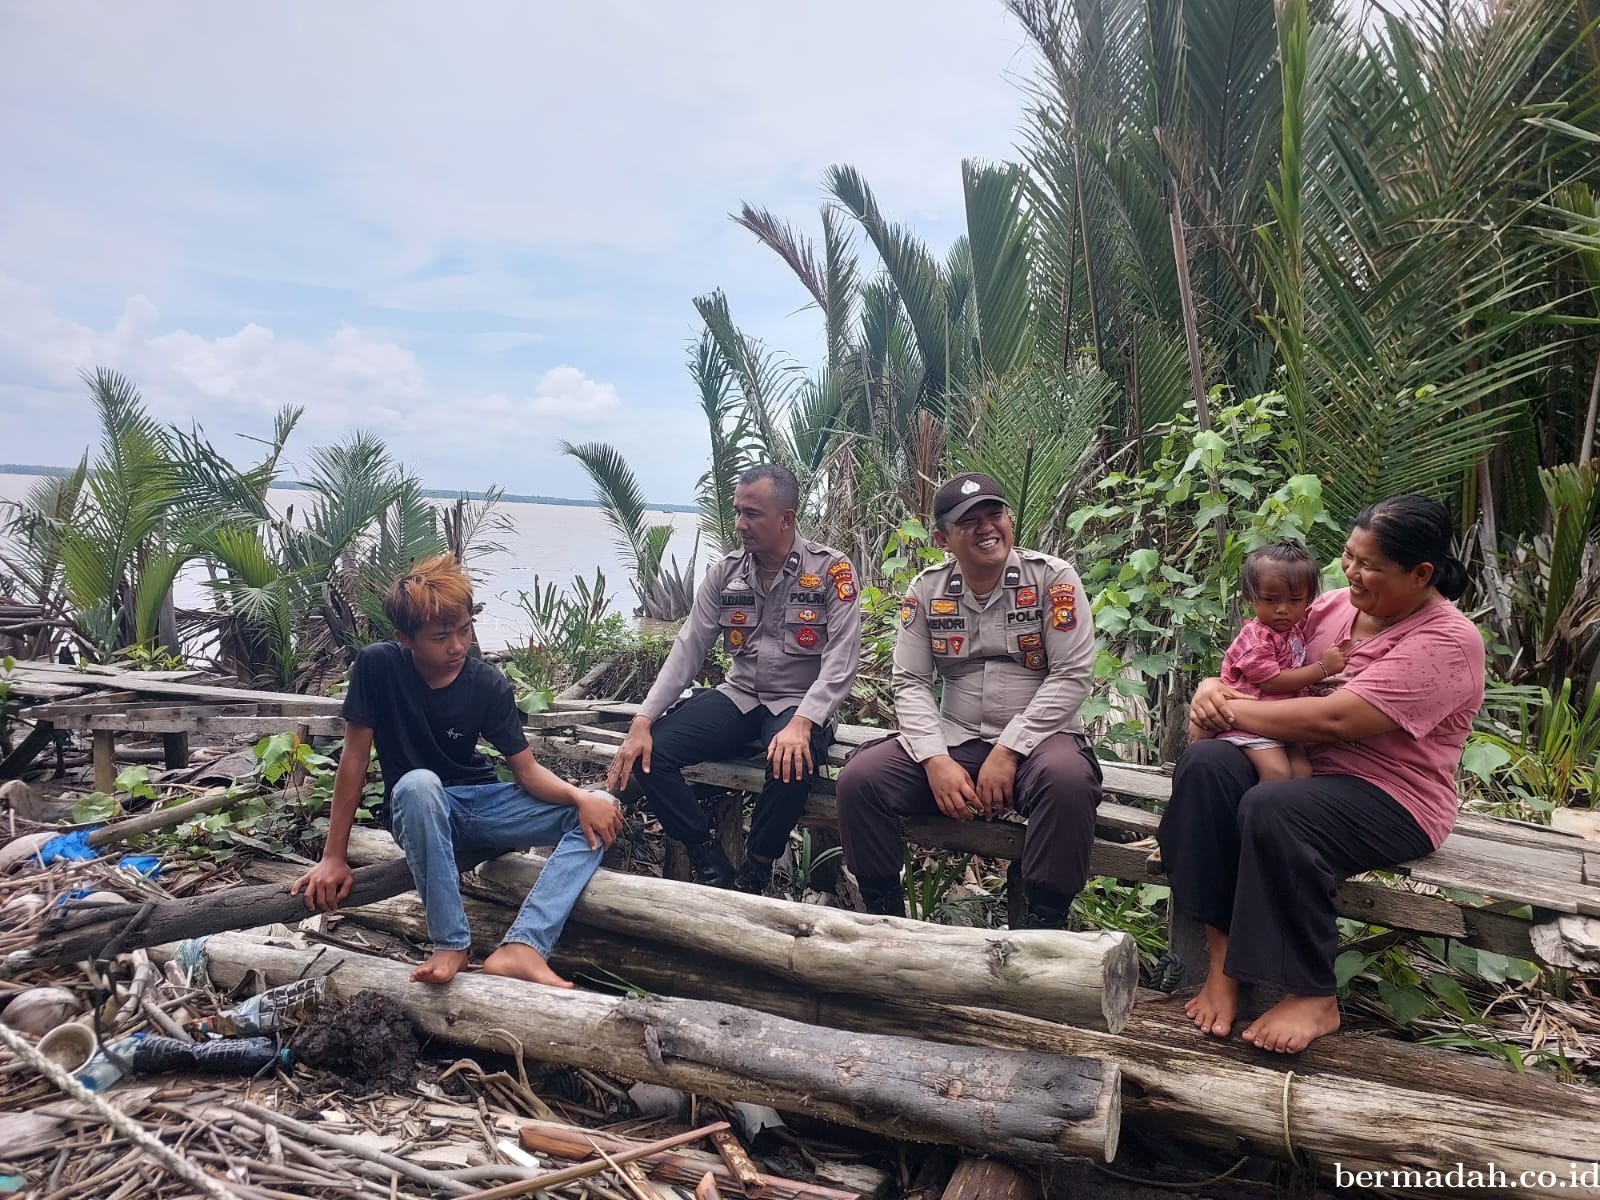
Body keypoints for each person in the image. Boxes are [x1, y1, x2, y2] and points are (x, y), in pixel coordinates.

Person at [1159, 494, 1485, 1054]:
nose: (1350, 574)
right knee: (1206, 766)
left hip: (1391, 795)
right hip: (1295, 760)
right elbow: (1256, 663)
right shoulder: (1330, 607)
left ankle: (1313, 993)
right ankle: (1223, 959)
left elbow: (1336, 718)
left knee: (1276, 806)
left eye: (1368, 565)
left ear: (1421, 573)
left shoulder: (1448, 642)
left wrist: (1226, 708)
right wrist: (1213, 687)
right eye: (1348, 557)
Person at [292, 554, 623, 988]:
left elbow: (526, 772)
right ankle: (451, 943)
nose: (456, 647)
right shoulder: (379, 666)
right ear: (405, 639)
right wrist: (334, 856)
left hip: (480, 806)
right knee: (418, 784)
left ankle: (523, 946)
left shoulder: (486, 684)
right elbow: (354, 760)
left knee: (603, 806)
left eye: (464, 630)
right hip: (418, 809)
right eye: (440, 637)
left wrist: (583, 797)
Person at [835, 472, 1102, 928]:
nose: (986, 528)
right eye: (969, 521)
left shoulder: (1052, 578)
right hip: (955, 740)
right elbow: (911, 681)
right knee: (860, 780)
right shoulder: (927, 589)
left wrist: (1010, 748)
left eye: (994, 514)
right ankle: (887, 923)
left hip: (1041, 740)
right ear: (943, 538)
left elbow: (1072, 673)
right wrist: (935, 759)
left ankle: (1042, 929)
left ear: (1009, 520)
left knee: (1068, 783)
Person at [606, 464, 861, 893]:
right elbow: (688, 647)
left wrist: (804, 722)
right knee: (653, 754)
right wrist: (643, 719)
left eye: (752, 514)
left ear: (787, 518)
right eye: (738, 512)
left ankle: (755, 871)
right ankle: (709, 858)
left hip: (799, 701)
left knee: (791, 763)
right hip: (741, 695)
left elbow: (841, 660)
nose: (740, 524)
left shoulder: (831, 571)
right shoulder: (726, 573)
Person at [1190, 540, 1347, 783]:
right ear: (1250, 598)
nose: (1282, 609)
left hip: (1282, 722)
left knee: (1303, 772)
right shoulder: (1256, 638)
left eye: (1294, 601)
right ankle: (1251, 818)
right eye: (1271, 600)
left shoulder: (1291, 631)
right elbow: (1271, 683)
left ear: (1308, 601)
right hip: (1250, 722)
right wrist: (1323, 668)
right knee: (1277, 773)